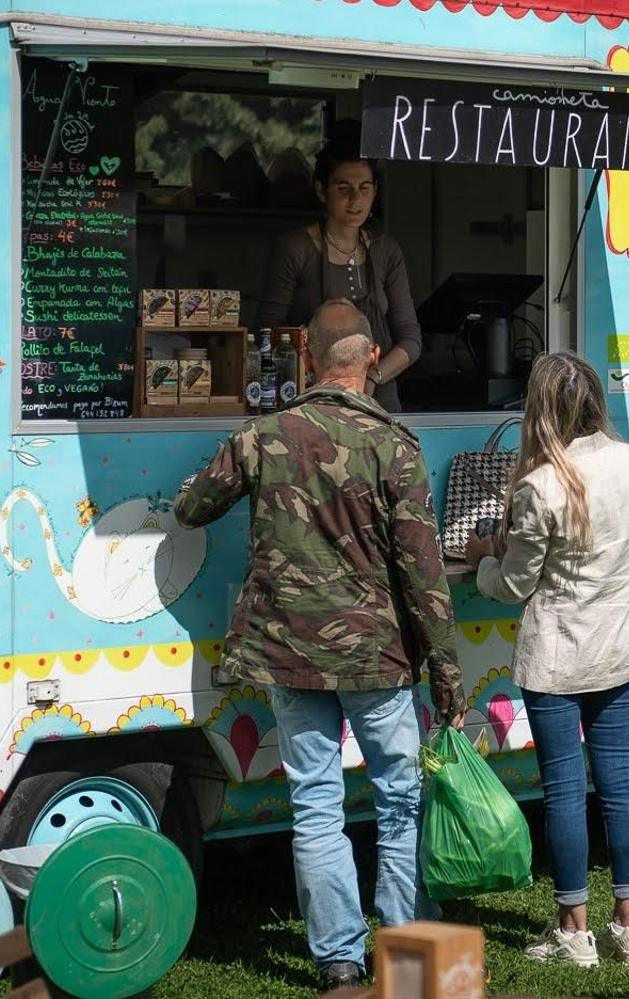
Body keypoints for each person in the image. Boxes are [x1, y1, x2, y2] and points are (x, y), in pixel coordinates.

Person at [173, 299, 464, 993]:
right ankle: (408, 951)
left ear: (307, 355)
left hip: (288, 653)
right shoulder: (394, 444)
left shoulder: (262, 435)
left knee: (316, 803)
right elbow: (424, 570)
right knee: (398, 798)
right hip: (376, 656)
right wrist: (447, 670)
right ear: (369, 358)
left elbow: (191, 508)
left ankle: (338, 962)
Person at [461, 352, 629, 969]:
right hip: (620, 647)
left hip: (557, 655)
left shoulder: (540, 484)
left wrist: (483, 560)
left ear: (539, 410)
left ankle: (573, 933)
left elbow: (515, 585)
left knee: (567, 792)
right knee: (620, 782)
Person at [258, 120, 421, 412]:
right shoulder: (295, 248)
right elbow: (268, 332)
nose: (355, 199)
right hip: (309, 402)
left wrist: (372, 377)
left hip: (378, 401)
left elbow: (411, 340)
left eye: (364, 188)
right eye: (343, 188)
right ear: (321, 190)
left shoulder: (386, 250)